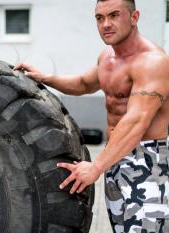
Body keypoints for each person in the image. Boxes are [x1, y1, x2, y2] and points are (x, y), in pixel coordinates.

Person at [14, 0, 169, 232]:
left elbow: (136, 121)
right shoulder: (107, 58)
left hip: (146, 162)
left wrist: (96, 167)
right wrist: (45, 78)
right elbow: (83, 83)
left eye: (114, 15)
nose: (106, 24)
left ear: (134, 17)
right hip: (114, 160)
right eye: (100, 18)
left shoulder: (153, 62)